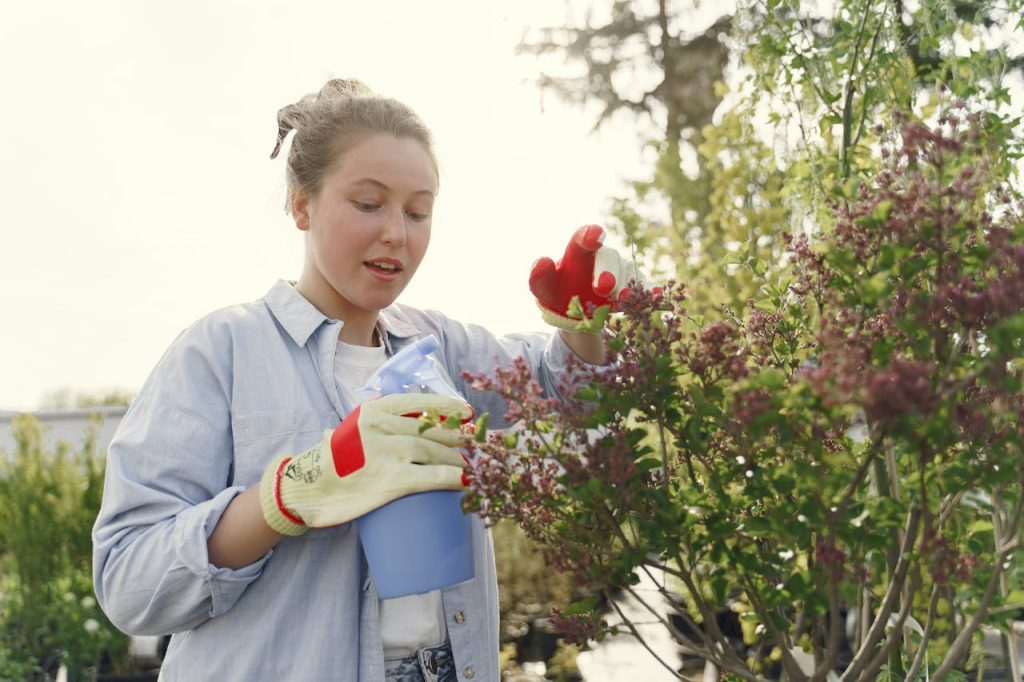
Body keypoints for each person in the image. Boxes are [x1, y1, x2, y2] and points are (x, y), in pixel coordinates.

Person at [92, 78, 643, 682]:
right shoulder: (221, 351)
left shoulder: (439, 348)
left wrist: (583, 326)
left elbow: (566, 395)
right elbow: (129, 584)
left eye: (417, 211)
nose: (396, 234)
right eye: (369, 203)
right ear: (302, 204)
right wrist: (288, 496)